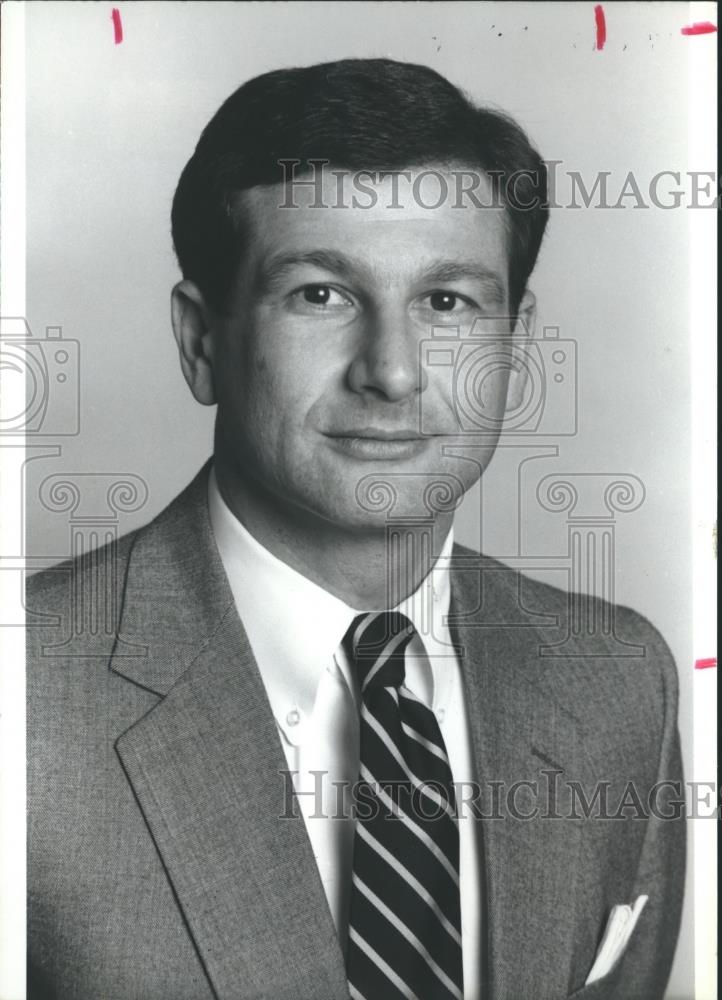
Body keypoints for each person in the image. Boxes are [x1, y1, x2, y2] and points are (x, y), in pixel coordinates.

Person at [27, 58, 684, 1000]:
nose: (394, 372)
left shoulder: (618, 682)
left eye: (446, 302)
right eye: (320, 295)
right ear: (200, 339)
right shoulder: (29, 700)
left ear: (519, 348)